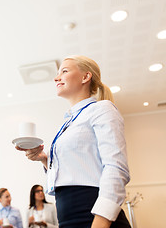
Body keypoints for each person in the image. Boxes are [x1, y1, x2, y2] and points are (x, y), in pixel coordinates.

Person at [16, 55, 131, 228]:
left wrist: (101, 222)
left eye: (64, 71)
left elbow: (117, 168)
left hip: (94, 216)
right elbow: (76, 170)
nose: (56, 78)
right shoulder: (68, 122)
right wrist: (45, 159)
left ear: (85, 77)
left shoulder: (101, 109)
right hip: (67, 216)